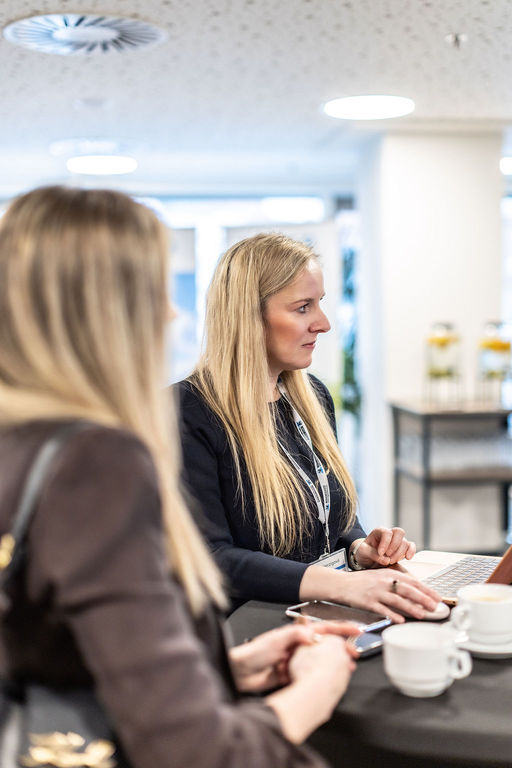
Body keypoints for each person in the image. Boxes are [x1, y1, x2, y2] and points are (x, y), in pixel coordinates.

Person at [0, 187, 361, 768]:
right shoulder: (94, 464)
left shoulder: (25, 446)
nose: (172, 314)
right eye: (156, 292)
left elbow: (61, 650)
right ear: (104, 311)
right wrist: (321, 683)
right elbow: (200, 751)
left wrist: (224, 669)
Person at [176, 233, 441, 621]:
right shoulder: (187, 411)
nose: (324, 324)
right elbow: (211, 558)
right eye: (303, 308)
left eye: (320, 304)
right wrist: (341, 585)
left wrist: (359, 550)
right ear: (249, 317)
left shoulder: (312, 397)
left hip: (325, 616)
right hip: (250, 629)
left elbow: (330, 515)